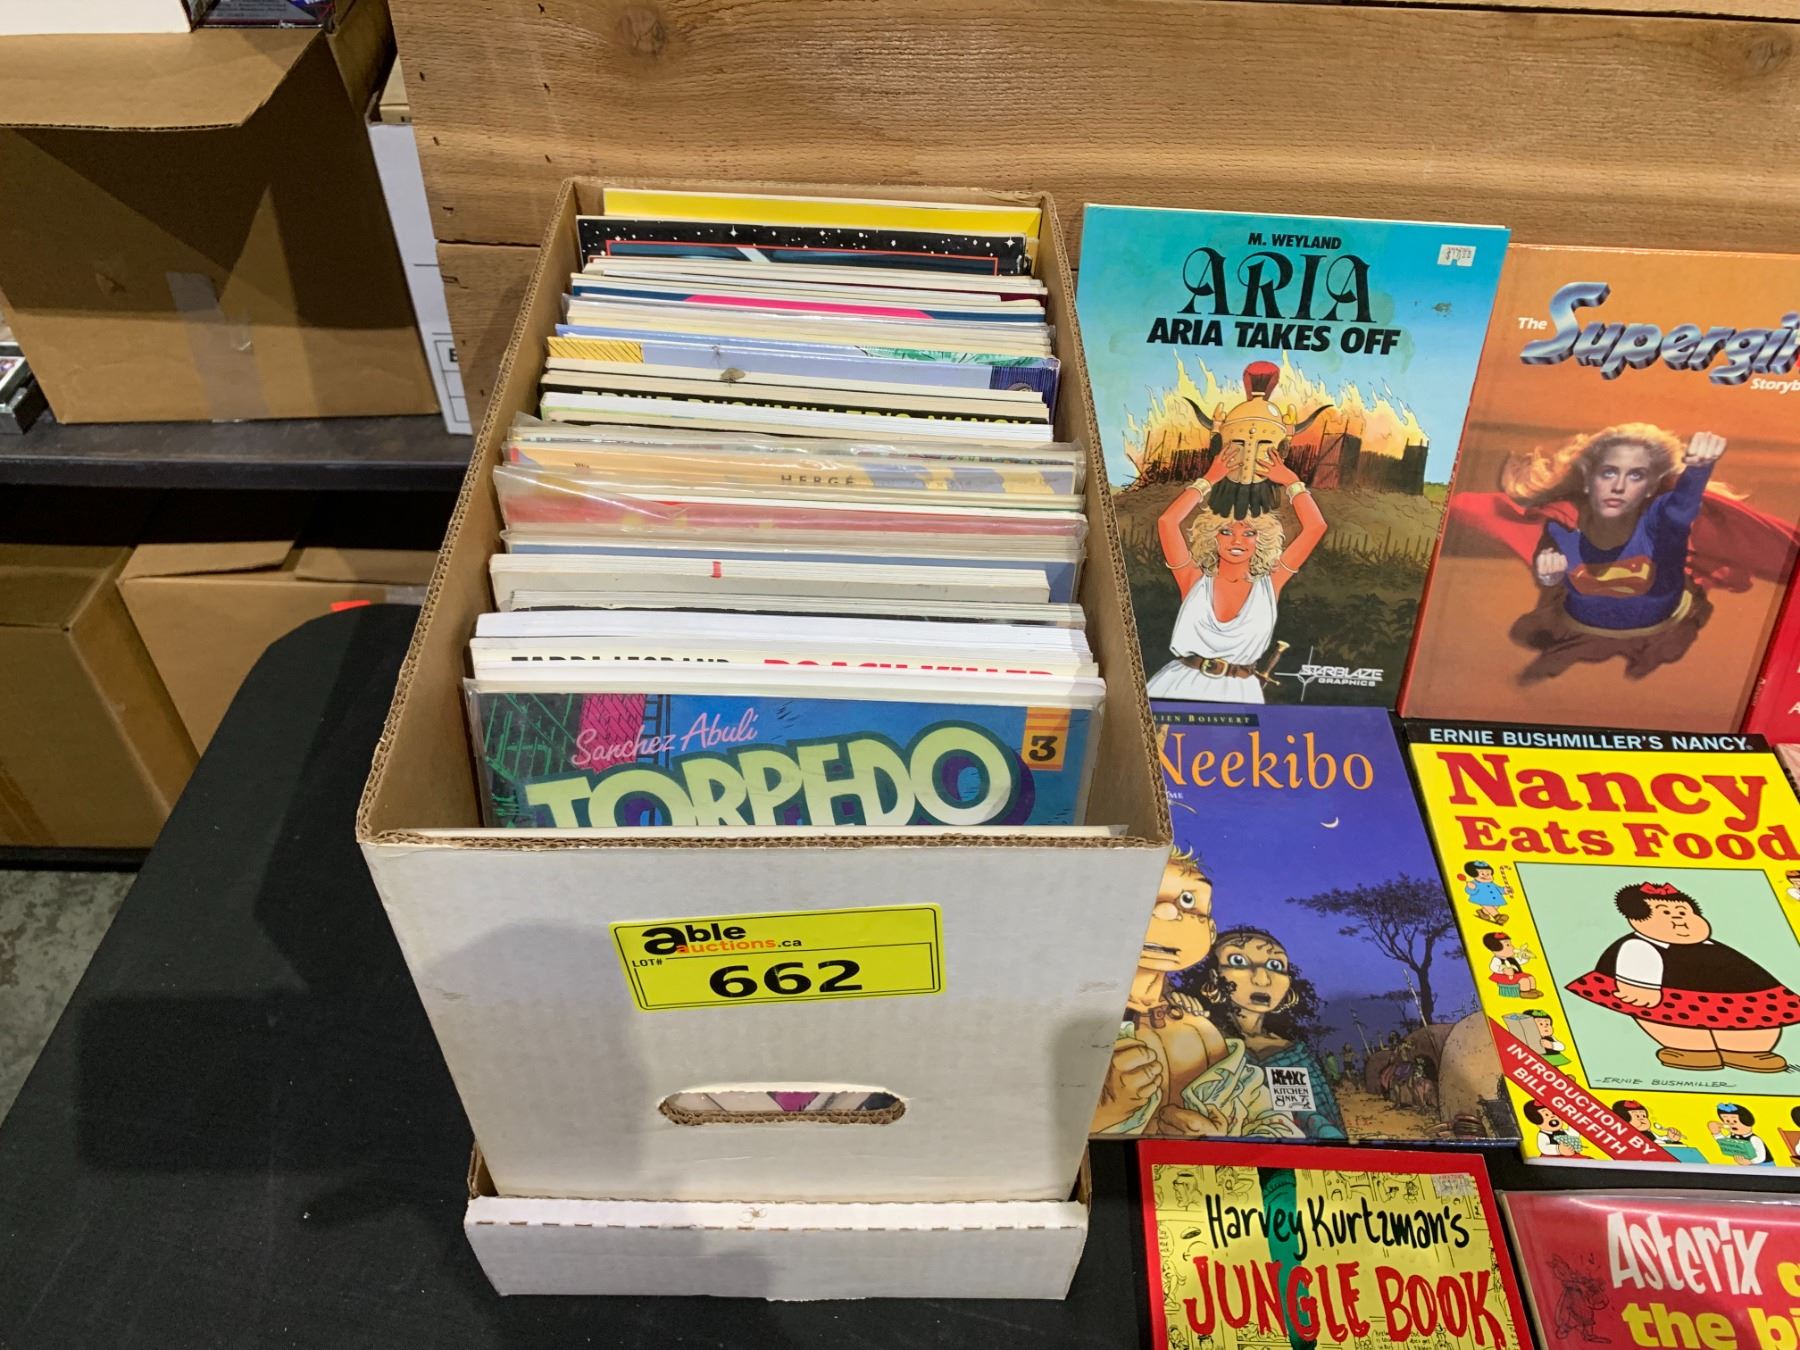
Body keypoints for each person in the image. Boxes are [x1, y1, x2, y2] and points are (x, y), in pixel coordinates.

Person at [1092, 850, 1301, 1139]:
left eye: (1188, 900)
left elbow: (1275, 1127)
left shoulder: (1202, 1031)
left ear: (1211, 931)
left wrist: (1217, 1138)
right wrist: (1107, 1112)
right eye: (1139, 894)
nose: (1166, 912)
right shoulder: (1067, 1022)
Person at [1144, 422, 1327, 703]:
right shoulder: (1192, 577)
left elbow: (1316, 527)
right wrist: (1208, 479)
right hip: (1178, 686)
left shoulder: (1272, 581)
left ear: (1261, 539)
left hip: (1242, 692)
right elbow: (1167, 522)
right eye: (1226, 531)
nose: (1237, 540)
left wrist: (1291, 481)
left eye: (1249, 533)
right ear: (1212, 536)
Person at [1565, 881, 1800, 1072]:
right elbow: (1635, 966)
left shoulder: (1712, 948)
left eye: (1683, 912)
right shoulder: (1639, 946)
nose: (1678, 918)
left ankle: (1747, 1051)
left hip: (1739, 996)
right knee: (1673, 1024)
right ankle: (1693, 1051)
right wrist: (1639, 989)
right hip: (1670, 997)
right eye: (1665, 912)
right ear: (1636, 919)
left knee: (1757, 1022)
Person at [1184, 926, 1348, 1139]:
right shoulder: (1201, 1039)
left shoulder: (1290, 1053)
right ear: (1213, 975)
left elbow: (1302, 1115)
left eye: (1275, 965)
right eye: (1238, 961)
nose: (1262, 979)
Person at [1708, 1103, 1775, 1166]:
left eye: (1735, 1121)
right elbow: (1724, 1143)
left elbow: (1761, 1157)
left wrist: (1750, 1162)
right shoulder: (1732, 1135)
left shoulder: (1754, 1139)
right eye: (1727, 1121)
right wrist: (1716, 1133)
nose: (1731, 1124)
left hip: (1764, 1165)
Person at [1483, 931, 1538, 997]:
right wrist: (1503, 970)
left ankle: (1533, 991)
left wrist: (1525, 957)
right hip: (1505, 977)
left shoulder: (1511, 958)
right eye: (1508, 945)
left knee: (1531, 978)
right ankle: (1524, 993)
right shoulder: (1497, 960)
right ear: (1496, 948)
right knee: (1524, 980)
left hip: (1515, 975)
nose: (1512, 947)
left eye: (1510, 944)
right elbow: (1493, 967)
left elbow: (1519, 961)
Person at [1462, 860, 1510, 925]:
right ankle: (1497, 916)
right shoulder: (1474, 883)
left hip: (1495, 898)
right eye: (1482, 874)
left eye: (1488, 874)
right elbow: (1470, 891)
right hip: (1482, 898)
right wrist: (1471, 888)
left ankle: (1483, 912)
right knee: (1488, 905)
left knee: (1495, 906)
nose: (1486, 876)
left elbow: (1498, 889)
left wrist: (1505, 890)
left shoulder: (1492, 883)